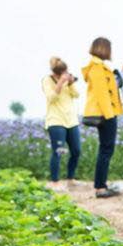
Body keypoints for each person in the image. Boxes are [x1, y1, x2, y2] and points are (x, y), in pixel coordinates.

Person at [82, 37, 123, 198]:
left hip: (105, 112)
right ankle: (100, 188)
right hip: (105, 113)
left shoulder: (100, 67)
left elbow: (113, 87)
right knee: (106, 149)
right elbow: (102, 94)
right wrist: (110, 116)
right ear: (104, 49)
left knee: (105, 149)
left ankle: (101, 185)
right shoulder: (97, 68)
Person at [43, 57, 81, 190]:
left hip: (71, 121)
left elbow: (76, 95)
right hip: (56, 121)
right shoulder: (47, 80)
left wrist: (70, 83)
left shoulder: (67, 81)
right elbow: (52, 98)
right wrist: (60, 83)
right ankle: (55, 182)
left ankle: (70, 179)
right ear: (56, 73)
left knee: (76, 151)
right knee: (59, 151)